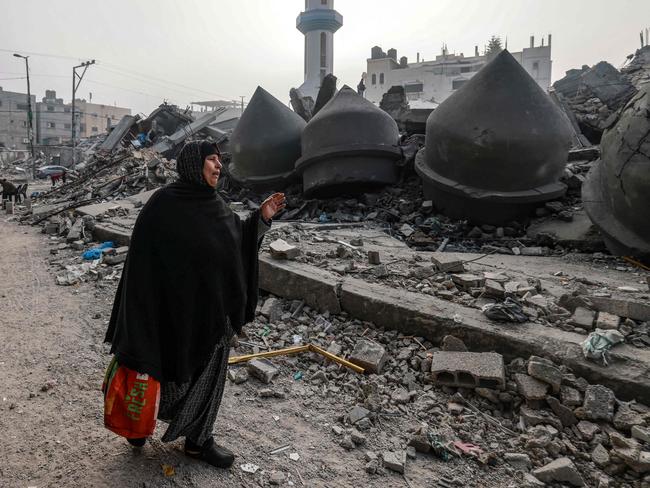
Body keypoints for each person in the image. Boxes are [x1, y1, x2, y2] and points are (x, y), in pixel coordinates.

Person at [104, 140, 286, 468]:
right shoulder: (162, 203)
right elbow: (140, 262)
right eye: (211, 160)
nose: (218, 166)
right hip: (163, 311)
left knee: (209, 370)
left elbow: (238, 238)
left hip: (207, 311)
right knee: (158, 370)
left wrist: (261, 219)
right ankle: (139, 423)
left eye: (219, 161)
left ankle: (197, 441)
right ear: (193, 164)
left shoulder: (217, 206)